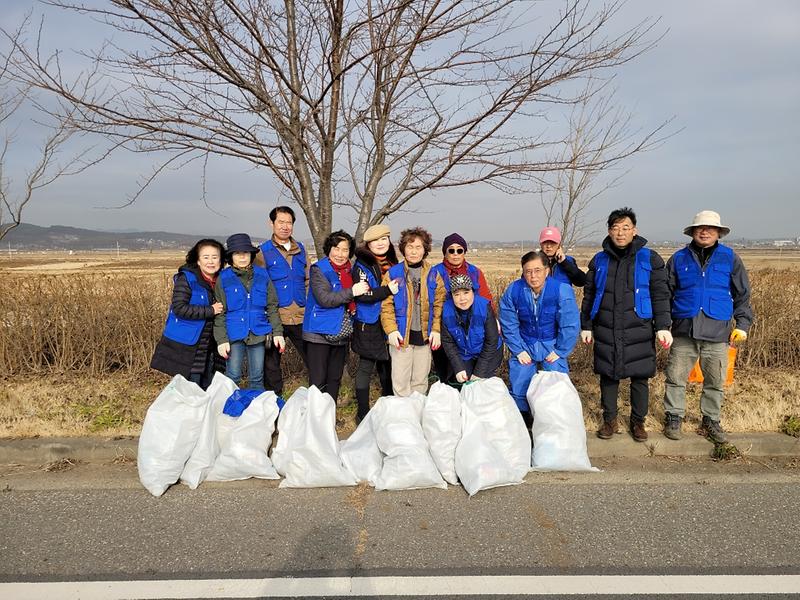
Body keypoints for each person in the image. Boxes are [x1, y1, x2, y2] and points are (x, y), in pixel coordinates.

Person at [580, 207, 672, 442]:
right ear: (609, 231)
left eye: (625, 228)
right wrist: (587, 325)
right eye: (615, 228)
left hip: (638, 327)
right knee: (608, 375)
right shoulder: (599, 260)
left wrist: (663, 325)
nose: (620, 233)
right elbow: (590, 295)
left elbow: (660, 295)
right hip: (606, 326)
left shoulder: (650, 258)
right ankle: (609, 420)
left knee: (640, 376)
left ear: (635, 230)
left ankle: (638, 422)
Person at [662, 210, 753, 443]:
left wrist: (743, 323)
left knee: (715, 380)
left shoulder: (730, 258)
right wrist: (662, 324)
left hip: (718, 331)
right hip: (684, 329)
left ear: (718, 233)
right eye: (700, 228)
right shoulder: (678, 259)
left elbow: (742, 294)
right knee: (675, 377)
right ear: (692, 231)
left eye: (710, 228)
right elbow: (664, 294)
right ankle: (674, 416)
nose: (705, 231)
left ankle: (710, 420)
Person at [499, 250, 580, 427]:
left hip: (551, 342)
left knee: (556, 380)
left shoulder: (560, 290)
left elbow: (570, 323)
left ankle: (553, 419)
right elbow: (508, 322)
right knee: (520, 377)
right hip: (525, 342)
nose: (533, 276)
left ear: (547, 270)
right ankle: (523, 418)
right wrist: (518, 349)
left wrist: (560, 350)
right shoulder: (514, 290)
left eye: (537, 270)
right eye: (528, 271)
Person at [303, 230, 369, 401]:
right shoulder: (319, 269)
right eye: (336, 249)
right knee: (318, 379)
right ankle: (315, 419)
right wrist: (352, 291)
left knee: (334, 377)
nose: (340, 254)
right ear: (329, 249)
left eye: (345, 250)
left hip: (340, 330)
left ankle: (329, 417)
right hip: (319, 332)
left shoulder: (351, 270)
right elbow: (325, 299)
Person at [150, 239, 226, 389]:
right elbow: (179, 308)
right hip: (189, 345)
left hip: (210, 346)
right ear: (197, 260)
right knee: (190, 388)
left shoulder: (222, 280)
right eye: (206, 257)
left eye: (215, 257)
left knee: (208, 387)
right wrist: (210, 310)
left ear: (221, 260)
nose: (210, 261)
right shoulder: (187, 279)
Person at [381, 227, 446, 396]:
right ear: (403, 249)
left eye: (418, 247)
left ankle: (417, 413)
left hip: (424, 336)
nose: (414, 251)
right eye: (410, 247)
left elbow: (439, 304)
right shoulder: (393, 273)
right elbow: (386, 305)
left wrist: (436, 329)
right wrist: (391, 330)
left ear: (425, 250)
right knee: (400, 380)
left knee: (420, 379)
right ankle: (403, 418)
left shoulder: (433, 274)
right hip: (402, 336)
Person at [214, 233, 282, 391]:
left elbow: (272, 305)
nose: (242, 256)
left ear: (251, 254)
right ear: (231, 256)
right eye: (237, 253)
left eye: (246, 252)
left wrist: (278, 332)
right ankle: (229, 408)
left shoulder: (262, 275)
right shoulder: (223, 278)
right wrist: (221, 340)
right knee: (233, 375)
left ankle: (257, 410)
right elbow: (220, 312)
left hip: (258, 332)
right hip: (234, 333)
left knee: (257, 376)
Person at [255, 206, 309, 398]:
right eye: (281, 222)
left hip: (301, 314)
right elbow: (259, 286)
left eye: (289, 223)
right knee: (271, 363)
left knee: (312, 357)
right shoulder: (262, 253)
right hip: (275, 318)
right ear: (272, 224)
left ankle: (316, 397)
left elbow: (308, 279)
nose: (285, 227)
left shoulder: (301, 249)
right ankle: (274, 399)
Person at [428, 232, 493, 384]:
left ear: (464, 252)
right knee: (446, 366)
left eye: (459, 250)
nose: (455, 254)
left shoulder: (474, 272)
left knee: (472, 370)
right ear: (445, 252)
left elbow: (485, 298)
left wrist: (493, 318)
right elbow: (429, 301)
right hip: (444, 325)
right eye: (451, 250)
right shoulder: (435, 272)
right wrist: (435, 328)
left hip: (470, 325)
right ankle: (447, 390)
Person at [352, 224, 400, 421]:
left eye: (384, 239)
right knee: (366, 365)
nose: (381, 243)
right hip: (368, 321)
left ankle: (388, 403)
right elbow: (363, 295)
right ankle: (362, 412)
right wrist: (387, 290)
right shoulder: (361, 265)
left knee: (388, 363)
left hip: (389, 320)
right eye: (375, 240)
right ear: (368, 244)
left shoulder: (392, 262)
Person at [441, 274, 503, 387]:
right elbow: (448, 342)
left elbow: (491, 341)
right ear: (451, 296)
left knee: (481, 383)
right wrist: (458, 367)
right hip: (465, 353)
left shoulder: (484, 307)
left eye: (466, 292)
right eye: (457, 294)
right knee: (463, 382)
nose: (462, 298)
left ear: (473, 292)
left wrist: (479, 372)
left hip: (489, 352)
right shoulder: (446, 310)